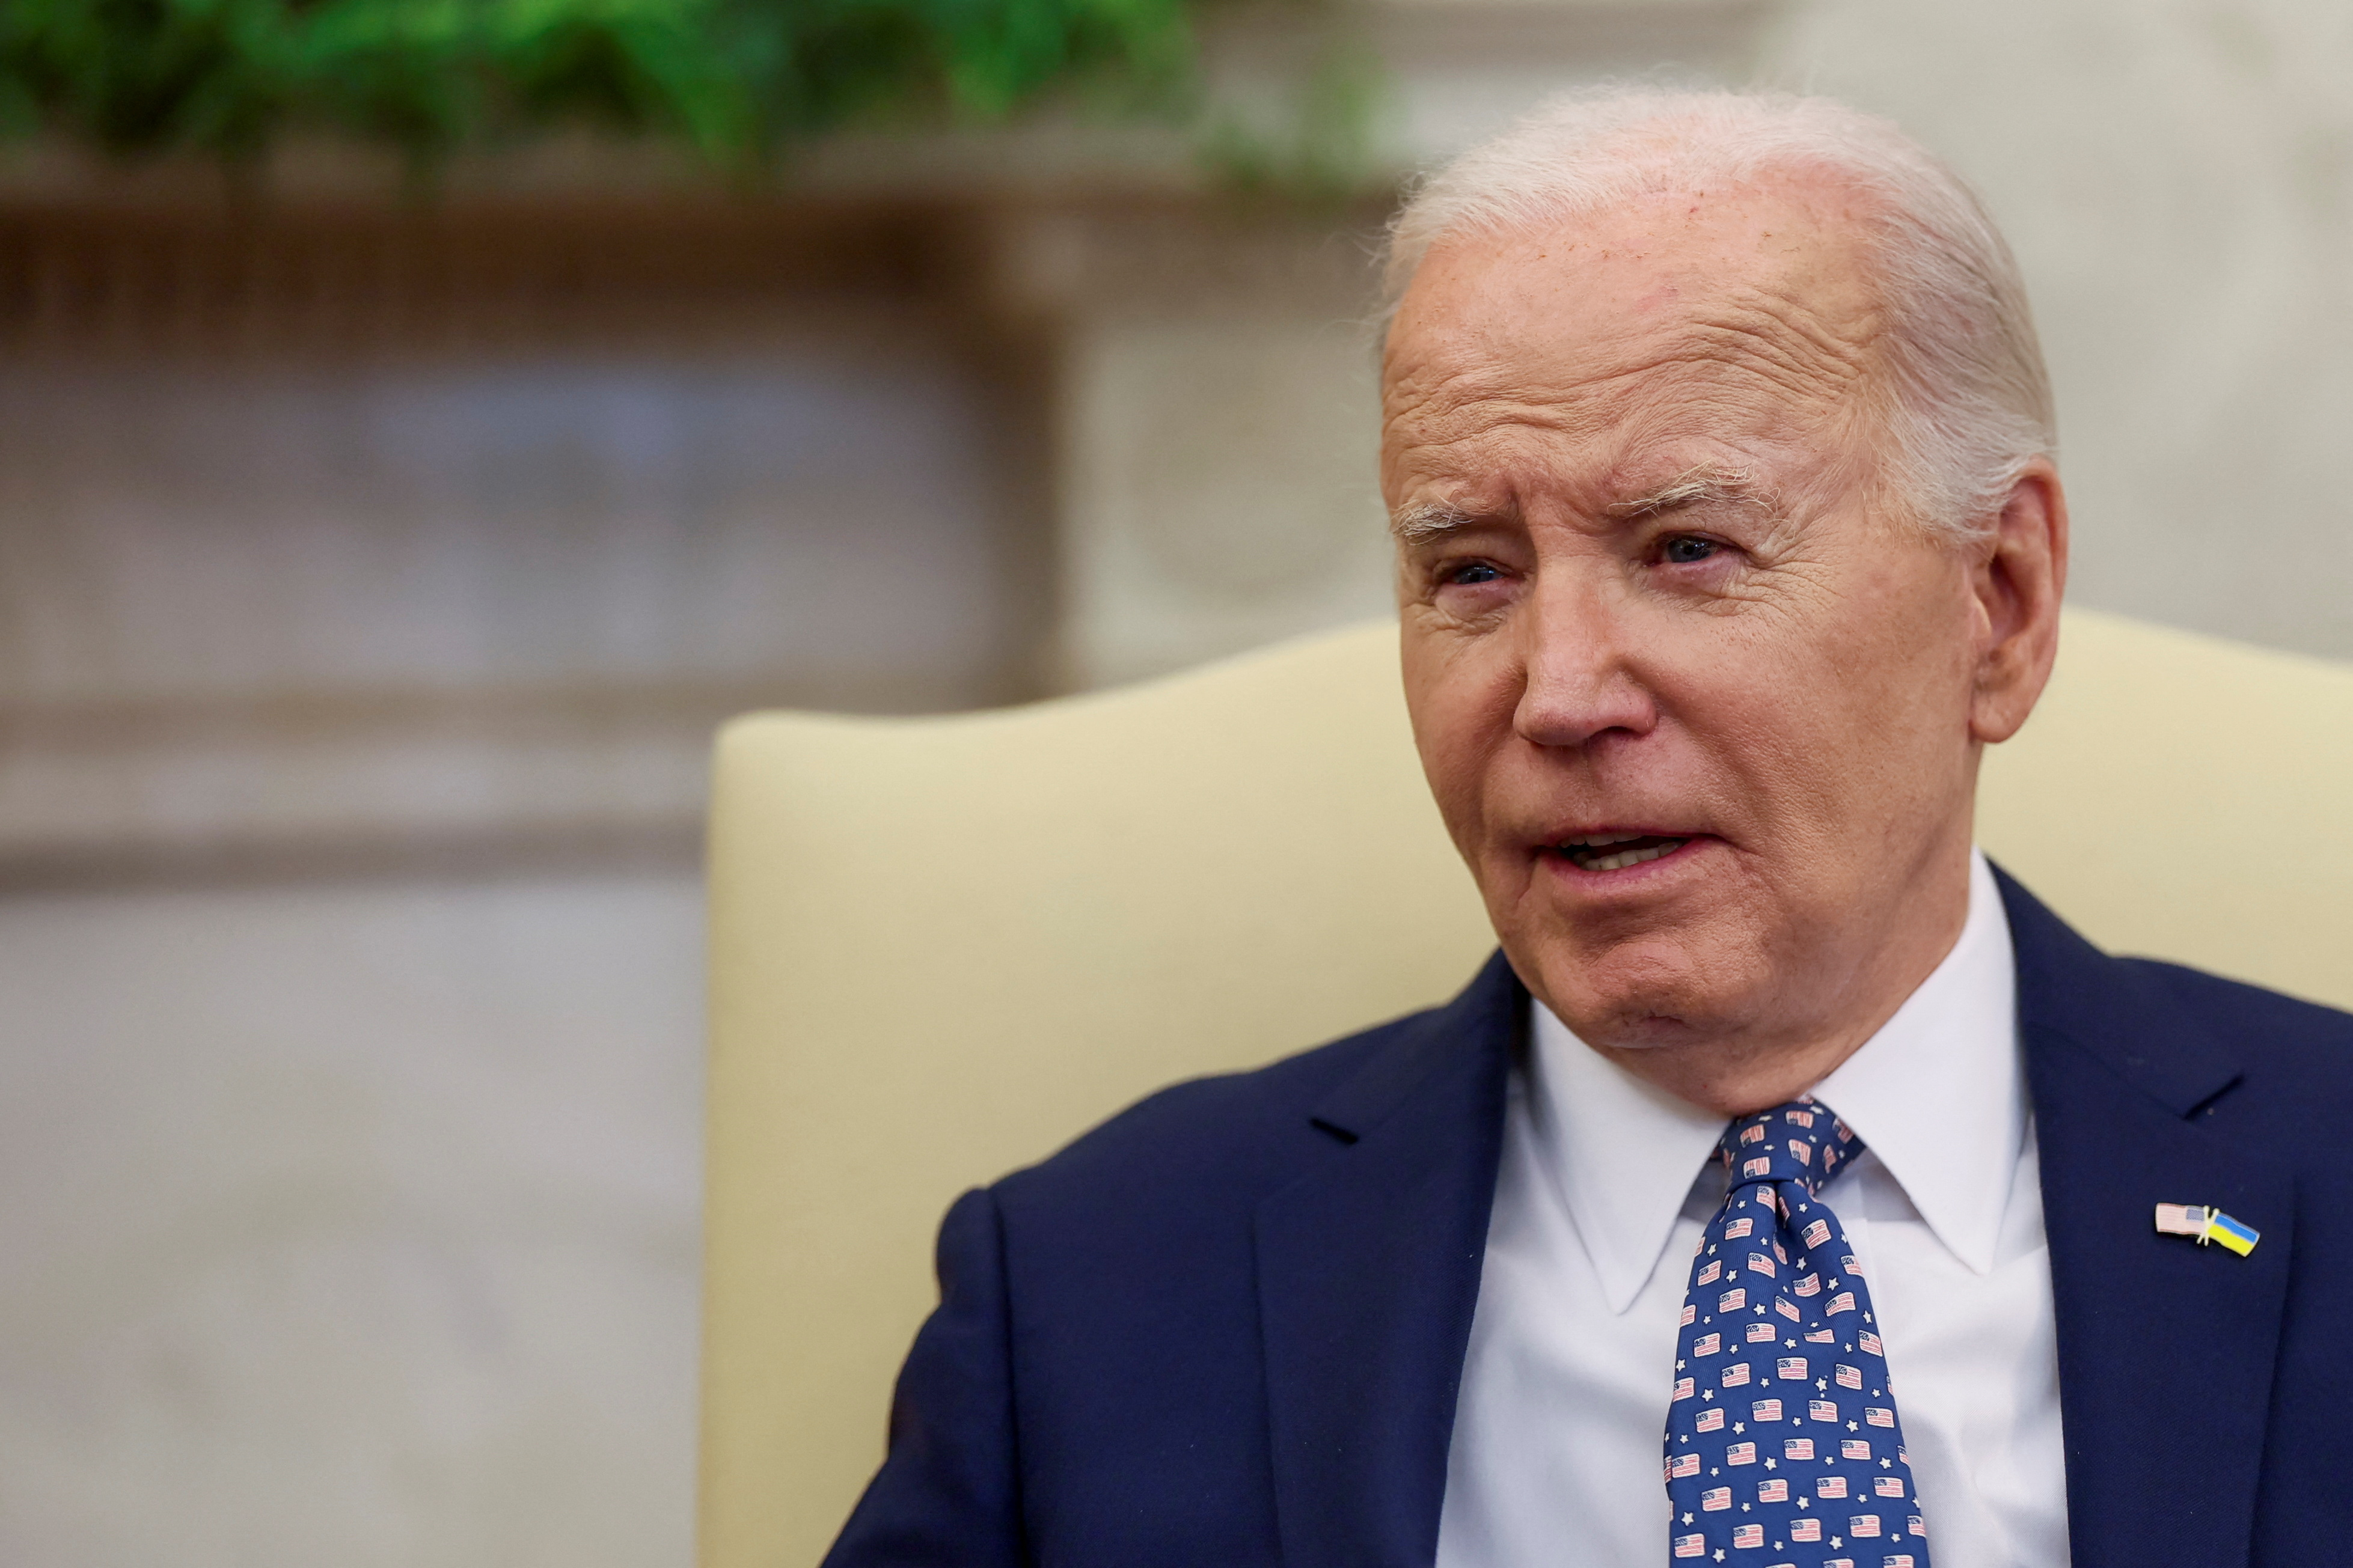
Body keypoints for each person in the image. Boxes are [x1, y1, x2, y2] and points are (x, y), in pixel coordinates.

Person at [822, 88, 2353, 1568]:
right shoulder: (1089, 1296)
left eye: (1687, 549)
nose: (1557, 696)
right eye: (1473, 573)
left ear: (1998, 603)